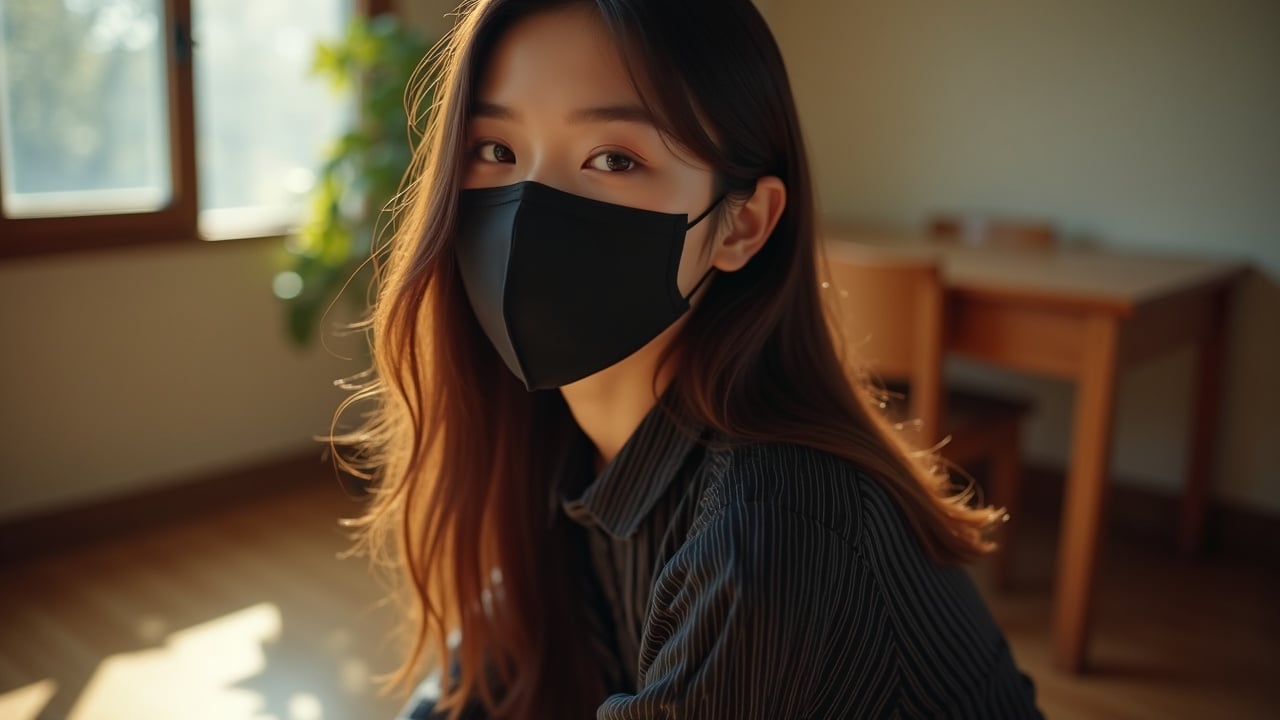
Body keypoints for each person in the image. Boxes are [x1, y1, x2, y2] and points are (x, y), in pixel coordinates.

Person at [336, 0, 1045, 717]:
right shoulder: (557, 443)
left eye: (614, 158)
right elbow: (490, 667)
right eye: (495, 150)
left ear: (741, 225)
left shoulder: (769, 535)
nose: (530, 211)